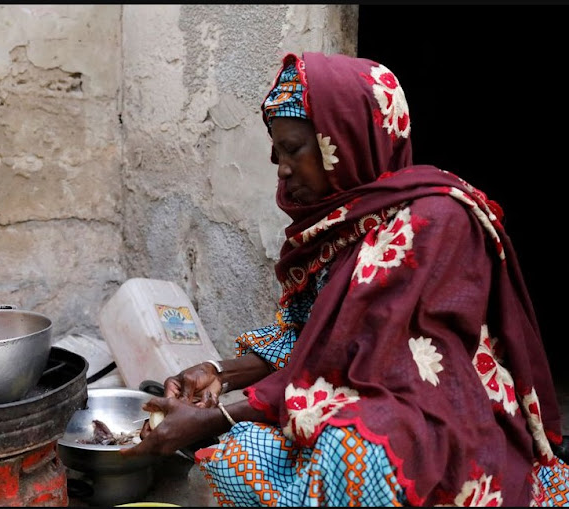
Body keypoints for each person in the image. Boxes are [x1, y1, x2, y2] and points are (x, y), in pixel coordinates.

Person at [120, 50, 569, 506]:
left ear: (348, 138)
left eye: (295, 149)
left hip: (441, 413)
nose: (283, 169)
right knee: (243, 453)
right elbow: (311, 342)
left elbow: (365, 361)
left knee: (351, 450)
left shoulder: (436, 218)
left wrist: (216, 416)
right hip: (352, 399)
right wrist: (219, 374)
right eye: (277, 152)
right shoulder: (335, 227)